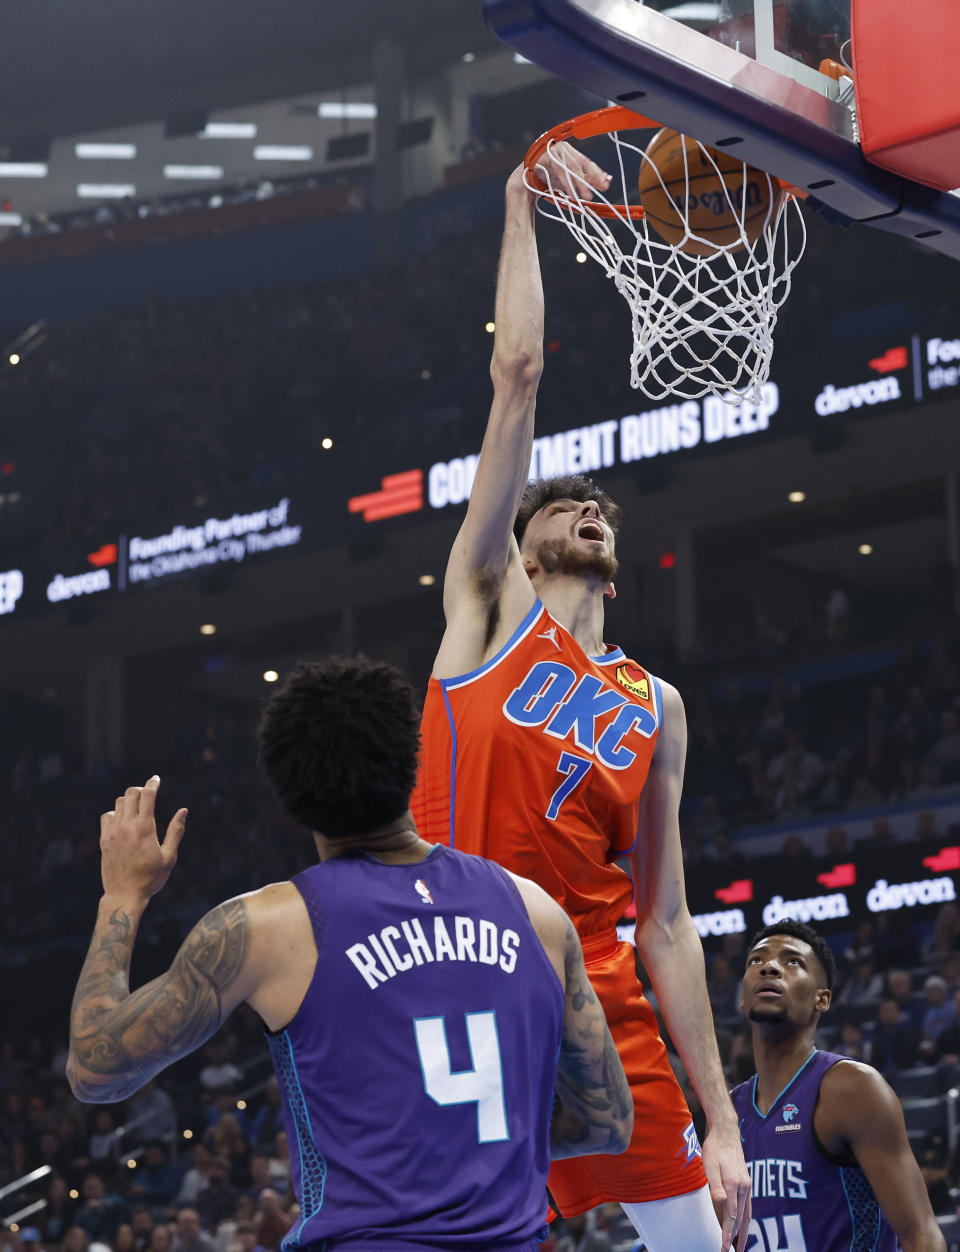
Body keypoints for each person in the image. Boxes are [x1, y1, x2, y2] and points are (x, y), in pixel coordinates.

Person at [410, 146, 749, 1250]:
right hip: (465, 977)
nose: (590, 508)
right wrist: (520, 205)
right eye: (564, 506)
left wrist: (727, 1120)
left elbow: (665, 917)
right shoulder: (486, 606)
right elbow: (517, 373)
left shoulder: (657, 702)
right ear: (521, 542)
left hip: (607, 1003)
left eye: (600, 505)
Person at [67, 655, 633, 1249]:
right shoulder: (536, 912)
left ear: (290, 797)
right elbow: (608, 1121)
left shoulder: (264, 928)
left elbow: (94, 1070)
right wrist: (476, 1139)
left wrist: (122, 895)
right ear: (411, 764)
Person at [734, 920, 945, 1251]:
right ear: (742, 1000)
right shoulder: (728, 1113)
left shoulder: (852, 1088)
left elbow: (922, 1235)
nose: (769, 967)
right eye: (756, 961)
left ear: (823, 999)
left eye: (792, 962)